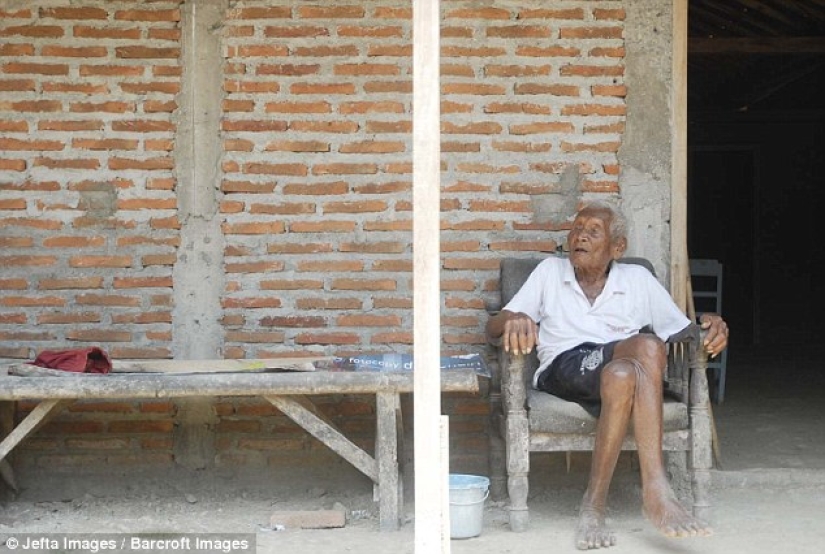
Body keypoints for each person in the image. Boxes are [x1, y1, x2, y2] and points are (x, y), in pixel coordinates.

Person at [485, 201, 729, 550]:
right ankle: (656, 490)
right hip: (565, 366)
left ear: (618, 247)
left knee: (621, 374)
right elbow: (493, 325)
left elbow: (682, 332)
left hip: (620, 371)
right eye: (576, 229)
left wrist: (712, 323)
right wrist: (513, 320)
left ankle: (593, 507)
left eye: (592, 232)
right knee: (646, 347)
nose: (579, 236)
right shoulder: (550, 273)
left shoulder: (637, 279)